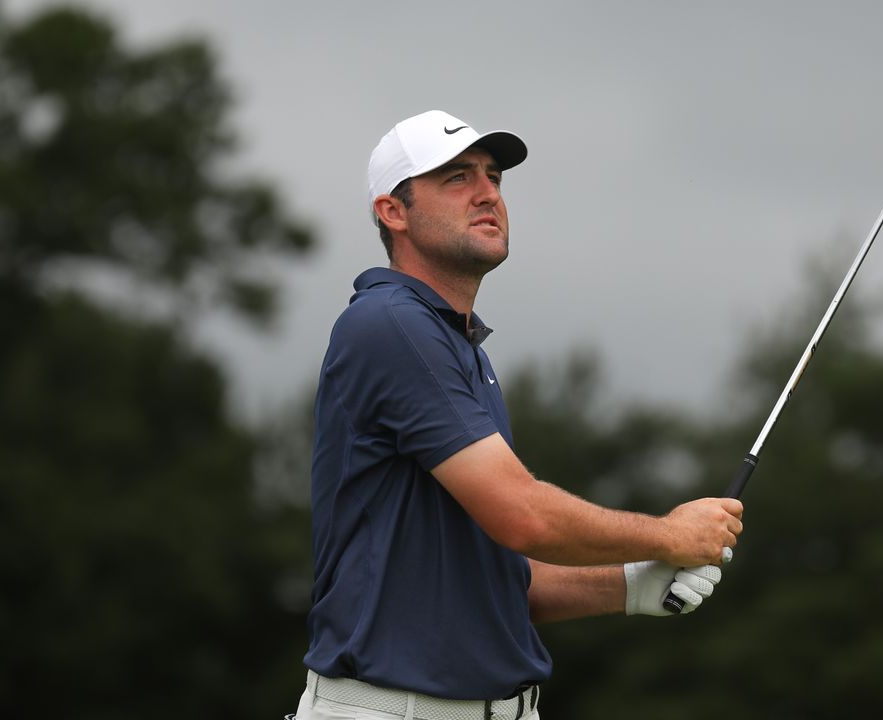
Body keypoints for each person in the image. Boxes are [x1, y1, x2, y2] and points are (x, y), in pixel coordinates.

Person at [292, 110, 744, 720]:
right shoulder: (391, 325)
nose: (488, 194)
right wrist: (672, 534)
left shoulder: (454, 346)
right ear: (392, 212)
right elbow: (524, 516)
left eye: (494, 177)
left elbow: (495, 575)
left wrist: (637, 582)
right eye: (456, 178)